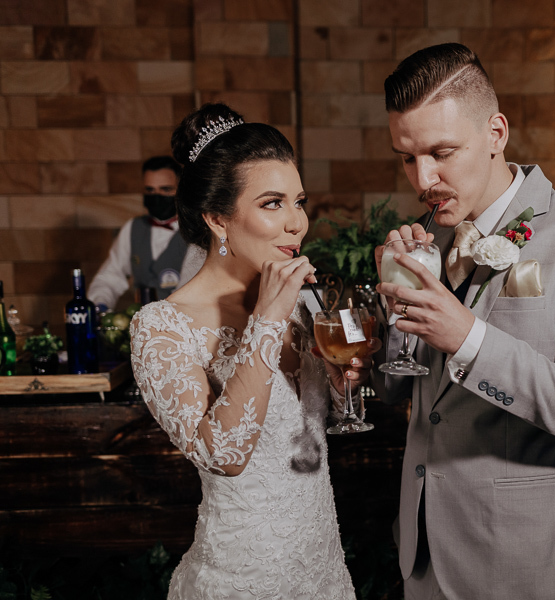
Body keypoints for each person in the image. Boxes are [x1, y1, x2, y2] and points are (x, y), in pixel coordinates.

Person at [372, 43, 555, 600]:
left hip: (528, 565)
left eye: (442, 152)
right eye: (407, 157)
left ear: (496, 132)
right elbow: (397, 390)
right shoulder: (426, 238)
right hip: (423, 558)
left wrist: (470, 339)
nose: (423, 180)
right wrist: (399, 313)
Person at [130, 103, 377, 599]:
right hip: (240, 580)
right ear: (219, 219)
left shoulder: (304, 306)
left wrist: (347, 379)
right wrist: (265, 320)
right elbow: (224, 454)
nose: (297, 223)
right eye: (272, 203)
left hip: (324, 573)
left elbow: (324, 417)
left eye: (299, 201)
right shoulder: (161, 327)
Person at [88, 156, 202, 312]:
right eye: (150, 190)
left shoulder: (197, 232)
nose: (157, 196)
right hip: (140, 323)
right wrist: (100, 305)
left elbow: (192, 289)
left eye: (165, 189)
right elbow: (110, 276)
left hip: (182, 322)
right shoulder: (133, 228)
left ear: (181, 191)